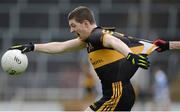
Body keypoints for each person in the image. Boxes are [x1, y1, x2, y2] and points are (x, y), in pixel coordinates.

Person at [9, 6, 150, 111]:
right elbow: (60, 46)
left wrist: (130, 55)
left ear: (86, 24)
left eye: (73, 26)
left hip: (117, 94)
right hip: (118, 93)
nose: (71, 30)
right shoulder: (89, 39)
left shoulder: (96, 36)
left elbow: (114, 41)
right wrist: (32, 46)